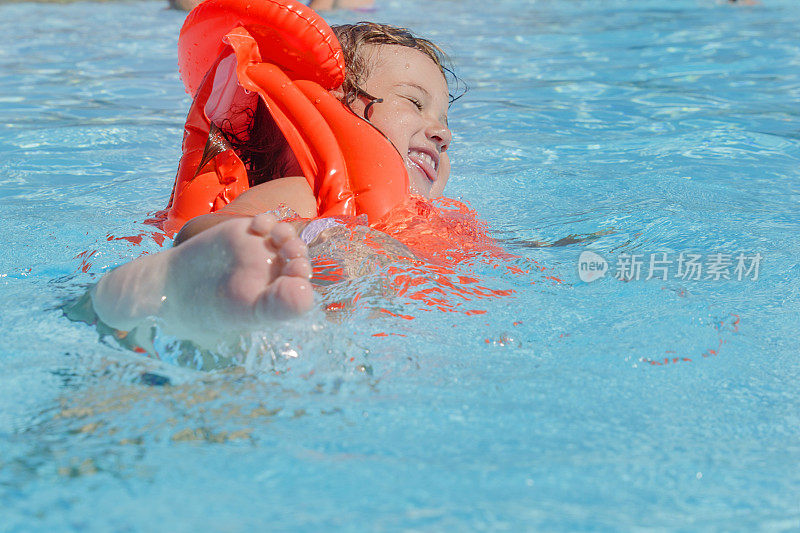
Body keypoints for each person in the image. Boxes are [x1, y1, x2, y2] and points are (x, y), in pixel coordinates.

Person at [81, 22, 454, 349]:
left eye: (443, 117)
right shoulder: (305, 193)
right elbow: (209, 229)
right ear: (328, 107)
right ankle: (163, 283)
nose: (444, 133)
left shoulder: (433, 218)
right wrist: (309, 237)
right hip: (259, 321)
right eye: (414, 102)